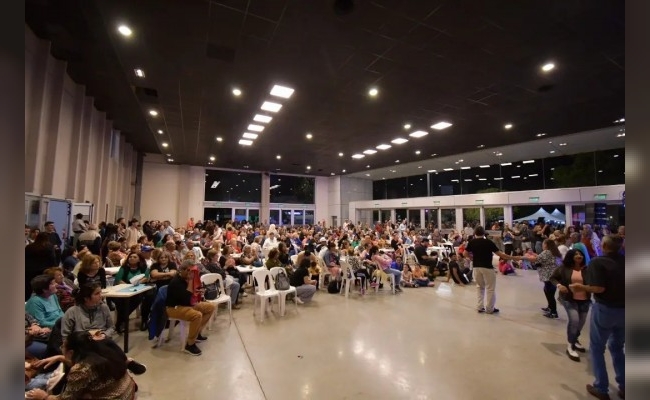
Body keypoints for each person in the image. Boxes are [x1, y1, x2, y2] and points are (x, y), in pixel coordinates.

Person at [570, 235, 625, 400]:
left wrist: (580, 287)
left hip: (605, 309)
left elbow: (598, 288)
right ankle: (625, 385)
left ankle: (601, 387)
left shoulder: (598, 262)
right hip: (625, 310)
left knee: (597, 348)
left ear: (605, 246)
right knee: (617, 347)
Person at [25, 331, 138, 399]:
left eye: (63, 346)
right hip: (128, 393)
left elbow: (66, 399)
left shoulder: (80, 370)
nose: (61, 348)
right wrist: (60, 357)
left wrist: (44, 396)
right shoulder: (102, 350)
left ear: (71, 352)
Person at [463, 226, 525, 314]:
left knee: (479, 287)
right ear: (484, 233)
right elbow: (501, 254)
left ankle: (480, 307)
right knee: (490, 288)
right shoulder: (488, 242)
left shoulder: (471, 242)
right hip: (487, 267)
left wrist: (471, 258)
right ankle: (489, 308)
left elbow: (464, 253)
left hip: (476, 267)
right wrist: (513, 257)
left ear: (475, 233)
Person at [166, 260, 216, 356]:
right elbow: (185, 299)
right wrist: (190, 282)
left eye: (192, 271)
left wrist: (198, 292)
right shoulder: (176, 282)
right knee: (197, 315)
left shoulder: (186, 279)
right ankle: (190, 344)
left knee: (210, 307)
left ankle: (196, 334)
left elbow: (190, 298)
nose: (191, 273)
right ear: (182, 270)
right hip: (173, 308)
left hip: (186, 305)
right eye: (189, 270)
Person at [549, 249, 590, 362]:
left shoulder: (587, 269)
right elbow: (553, 278)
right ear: (571, 256)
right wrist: (559, 286)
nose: (579, 256)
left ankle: (575, 339)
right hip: (569, 299)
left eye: (580, 254)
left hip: (585, 300)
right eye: (576, 254)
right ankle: (570, 345)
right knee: (574, 320)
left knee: (581, 322)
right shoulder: (563, 268)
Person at [526, 239, 563, 319]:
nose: (542, 245)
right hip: (554, 276)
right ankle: (550, 307)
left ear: (546, 245)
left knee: (550, 294)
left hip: (548, 276)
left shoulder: (546, 252)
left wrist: (526, 257)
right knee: (548, 292)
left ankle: (554, 312)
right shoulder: (555, 252)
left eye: (543, 244)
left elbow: (537, 259)